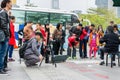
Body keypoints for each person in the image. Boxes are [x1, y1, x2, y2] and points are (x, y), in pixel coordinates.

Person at [0, 0, 12, 74]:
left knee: (4, 53)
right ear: (7, 3)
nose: (11, 5)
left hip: (4, 35)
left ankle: (3, 67)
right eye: (10, 3)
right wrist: (8, 34)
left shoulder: (5, 12)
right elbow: (4, 25)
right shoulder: (3, 13)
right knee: (2, 53)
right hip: (4, 35)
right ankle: (1, 68)